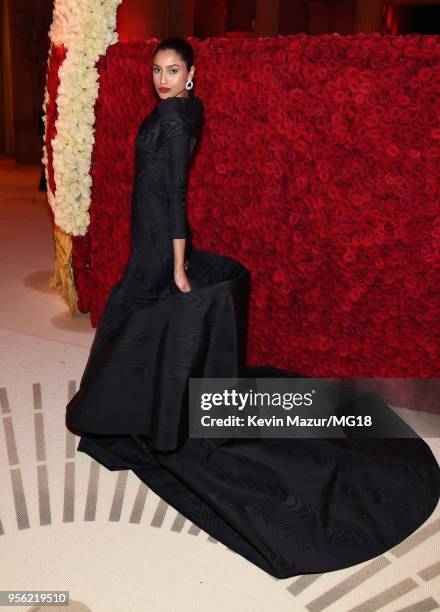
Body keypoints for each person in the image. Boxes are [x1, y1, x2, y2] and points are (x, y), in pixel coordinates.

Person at [66, 37, 440, 579]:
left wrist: (175, 265)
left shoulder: (175, 120)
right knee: (134, 329)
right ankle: (136, 413)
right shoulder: (178, 111)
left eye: (173, 70)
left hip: (155, 247)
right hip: (145, 239)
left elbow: (174, 196)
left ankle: (132, 418)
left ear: (191, 73)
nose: (162, 78)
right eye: (156, 70)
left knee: (128, 324)